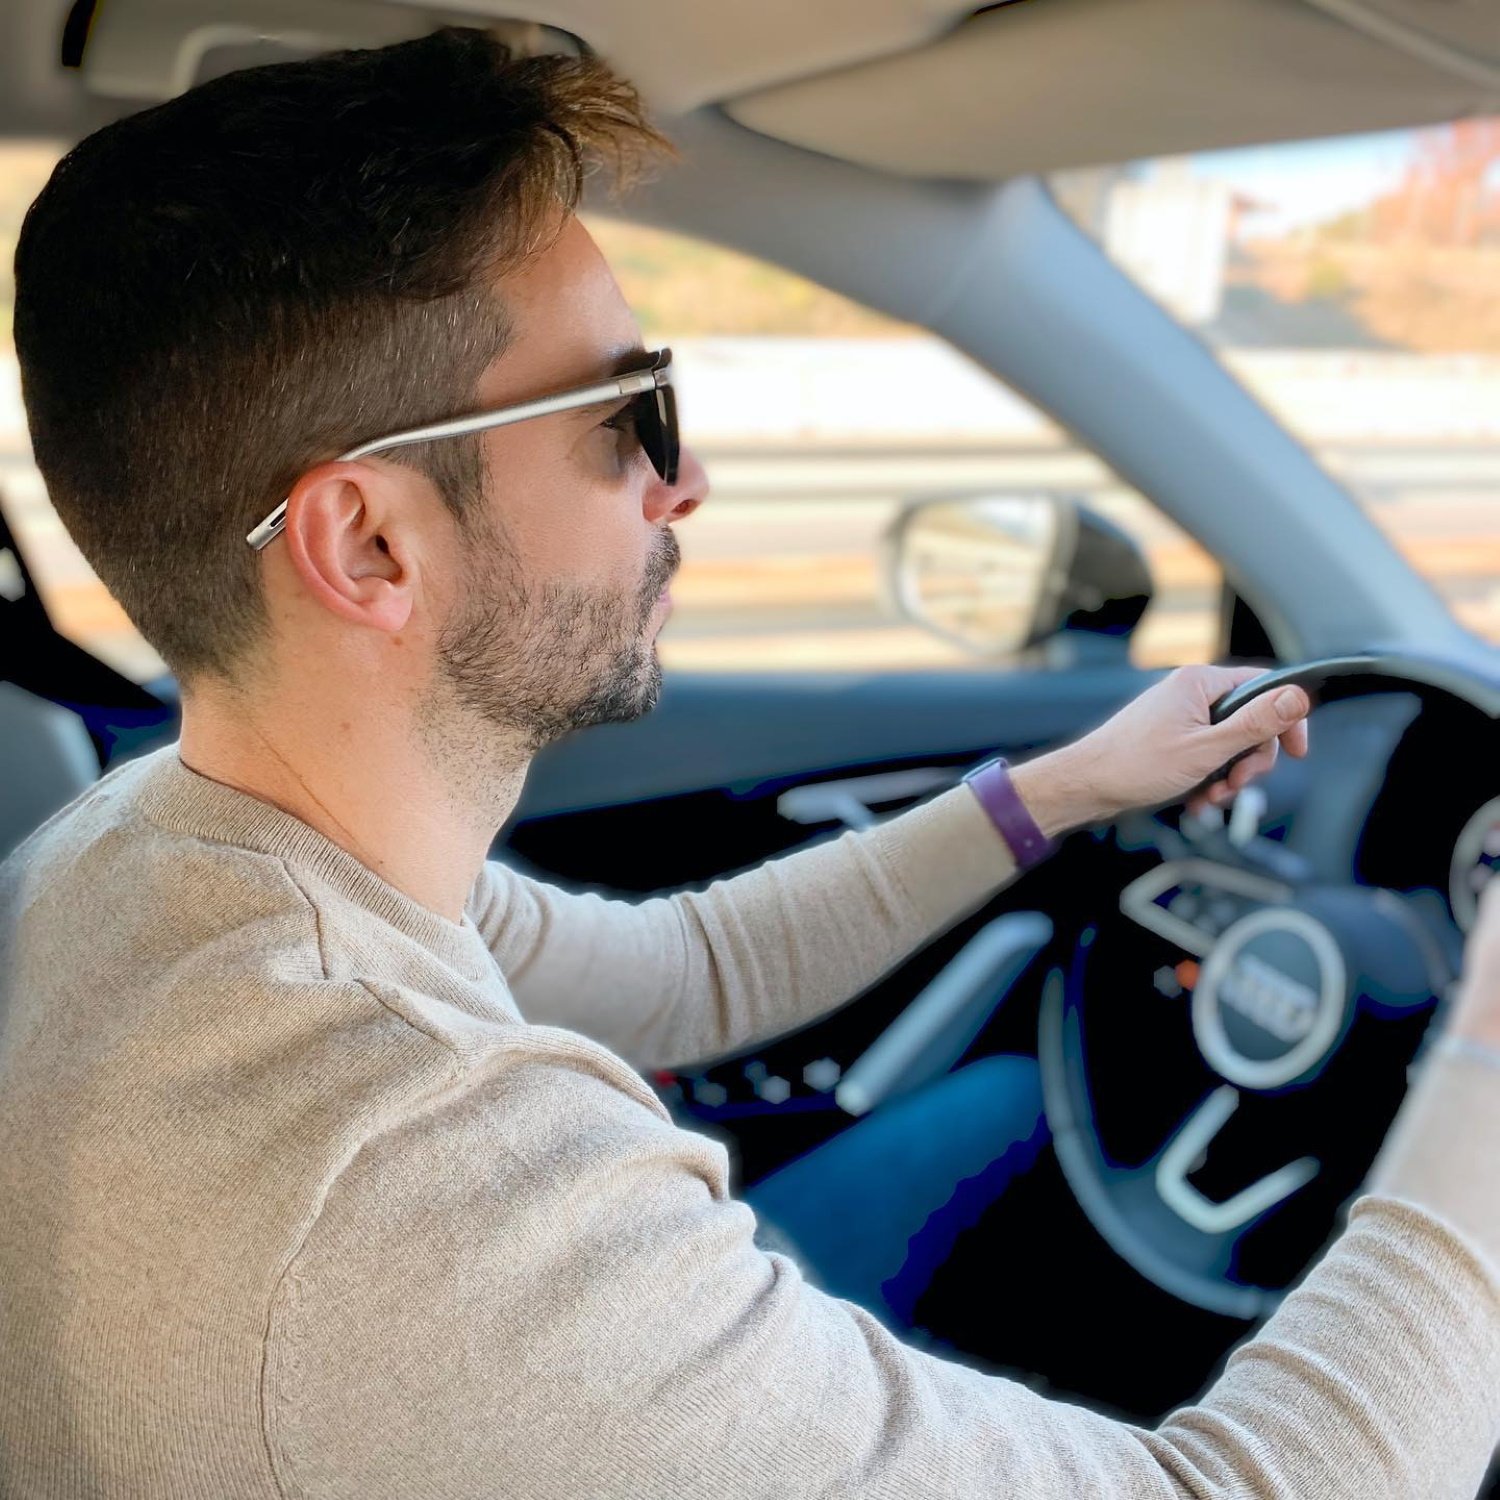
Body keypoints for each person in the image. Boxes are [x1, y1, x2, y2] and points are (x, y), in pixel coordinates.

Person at [1, 28, 1495, 1499]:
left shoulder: (145, 853)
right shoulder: (425, 1198)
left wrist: (1069, 784)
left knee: (992, 1119)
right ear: (371, 543)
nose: (687, 479)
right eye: (625, 417)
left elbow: (679, 975)